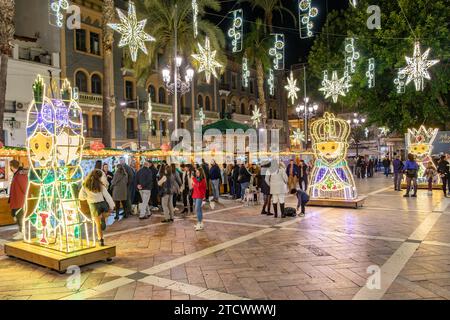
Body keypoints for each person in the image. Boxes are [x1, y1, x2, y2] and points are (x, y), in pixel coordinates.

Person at [79, 169, 115, 246]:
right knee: (105, 215)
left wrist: (87, 197)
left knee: (97, 224)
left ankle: (101, 240)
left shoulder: (85, 185)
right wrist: (112, 205)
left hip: (93, 205)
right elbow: (107, 196)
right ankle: (103, 218)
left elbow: (81, 196)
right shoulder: (100, 185)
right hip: (102, 203)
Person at [8, 160, 28, 240]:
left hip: (20, 200)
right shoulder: (17, 174)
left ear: (12, 166)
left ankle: (22, 232)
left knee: (20, 217)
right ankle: (20, 231)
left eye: (10, 166)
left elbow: (25, 188)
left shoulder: (20, 175)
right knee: (17, 216)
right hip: (16, 200)